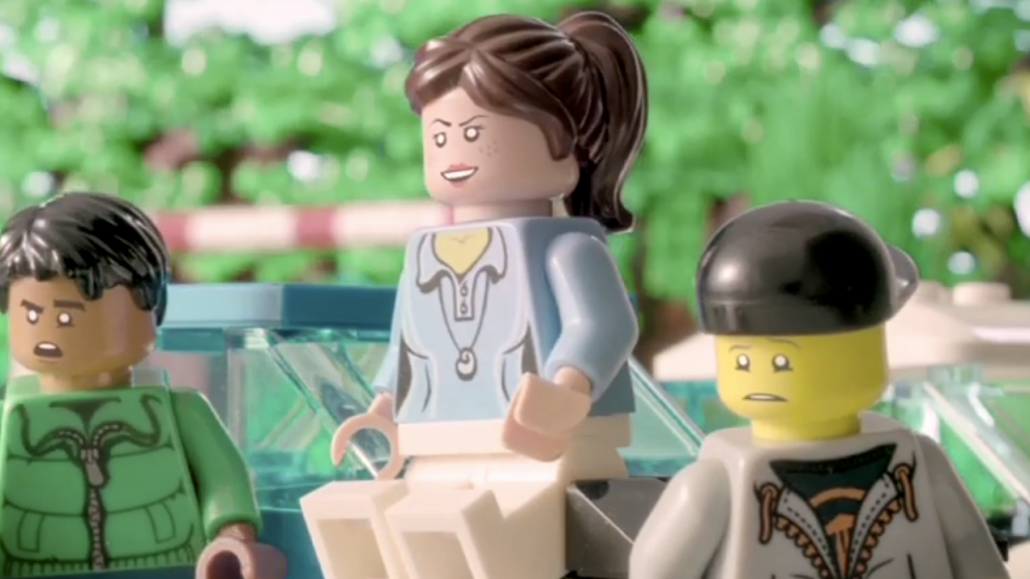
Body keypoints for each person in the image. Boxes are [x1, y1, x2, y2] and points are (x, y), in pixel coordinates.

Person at [301, 11, 647, 579]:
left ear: (568, 145)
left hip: (546, 452)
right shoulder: (426, 255)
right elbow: (409, 347)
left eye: (473, 132)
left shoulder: (567, 248)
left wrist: (567, 389)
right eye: (439, 135)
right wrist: (384, 412)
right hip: (437, 450)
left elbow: (605, 324)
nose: (453, 149)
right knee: (372, 529)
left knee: (490, 543)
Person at [629, 200, 1010, 579]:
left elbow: (979, 562)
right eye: (743, 361)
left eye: (781, 362)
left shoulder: (922, 462)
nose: (762, 372)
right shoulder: (713, 484)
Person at [0, 192, 285, 579]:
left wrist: (231, 531)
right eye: (31, 314)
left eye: (67, 317)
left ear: (151, 306)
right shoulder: (10, 423)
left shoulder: (180, 412)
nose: (48, 333)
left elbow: (223, 479)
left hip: (171, 564)